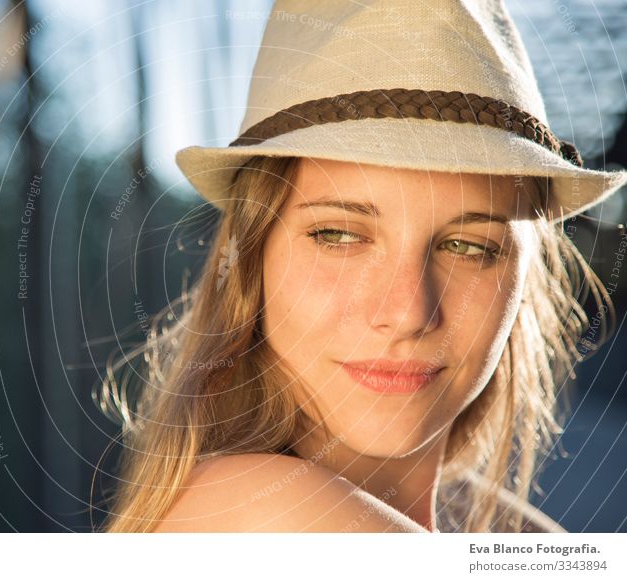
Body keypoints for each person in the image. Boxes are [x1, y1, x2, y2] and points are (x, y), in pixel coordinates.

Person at [95, 0, 626, 533]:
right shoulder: (259, 515)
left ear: (522, 277)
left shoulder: (499, 528)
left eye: (469, 246)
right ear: (251, 259)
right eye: (339, 236)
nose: (407, 312)